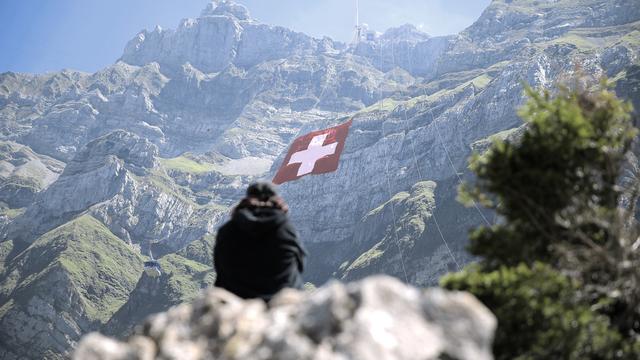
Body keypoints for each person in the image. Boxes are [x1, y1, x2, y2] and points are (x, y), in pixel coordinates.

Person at [213, 182, 307, 301]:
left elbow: (219, 266)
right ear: (276, 200)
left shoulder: (227, 230)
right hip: (280, 302)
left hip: (236, 302)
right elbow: (300, 264)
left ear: (247, 199)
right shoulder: (287, 229)